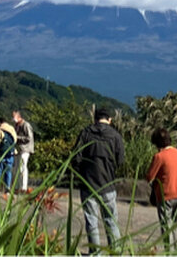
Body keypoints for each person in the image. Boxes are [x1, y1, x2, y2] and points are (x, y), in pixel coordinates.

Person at [72, 107, 125, 253]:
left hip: (88, 185)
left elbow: (76, 158)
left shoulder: (85, 133)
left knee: (92, 222)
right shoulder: (116, 136)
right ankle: (115, 252)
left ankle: (95, 253)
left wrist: (81, 172)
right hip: (108, 185)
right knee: (111, 222)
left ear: (95, 119)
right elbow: (120, 161)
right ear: (110, 119)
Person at [146, 128, 177, 250]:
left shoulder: (159, 156)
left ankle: (169, 251)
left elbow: (149, 176)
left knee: (166, 226)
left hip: (167, 194)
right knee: (175, 225)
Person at [12, 109, 35, 192]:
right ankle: (18, 186)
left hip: (25, 149)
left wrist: (17, 138)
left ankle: (23, 187)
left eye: (14, 117)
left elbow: (29, 138)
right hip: (18, 149)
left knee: (23, 167)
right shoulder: (16, 125)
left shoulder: (26, 125)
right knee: (17, 168)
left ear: (19, 117)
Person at [0, 117, 17, 191]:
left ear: (0, 123)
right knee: (8, 171)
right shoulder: (12, 129)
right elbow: (15, 140)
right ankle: (8, 187)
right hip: (10, 153)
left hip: (0, 153)